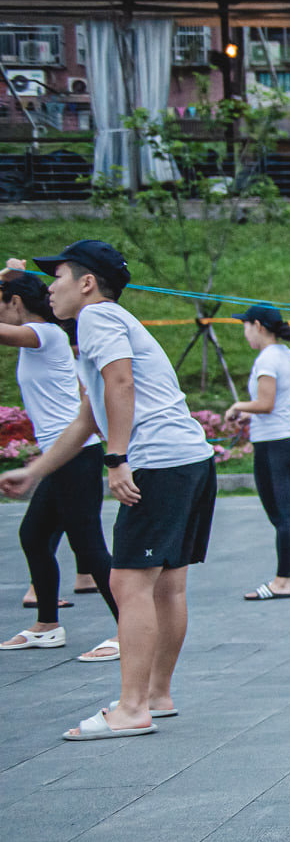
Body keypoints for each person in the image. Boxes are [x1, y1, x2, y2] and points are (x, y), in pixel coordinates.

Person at [0, 240, 216, 740]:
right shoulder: (107, 324)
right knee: (167, 585)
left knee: (129, 583)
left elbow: (120, 386)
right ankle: (157, 696)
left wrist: (117, 459)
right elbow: (87, 418)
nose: (50, 287)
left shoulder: (98, 319)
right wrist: (35, 471)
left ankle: (131, 708)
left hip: (159, 462)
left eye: (57, 276)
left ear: (87, 283)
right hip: (189, 457)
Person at [0, 264, 120, 662]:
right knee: (34, 536)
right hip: (62, 457)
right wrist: (10, 276)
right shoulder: (43, 335)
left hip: (76, 456)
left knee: (89, 546)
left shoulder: (45, 334)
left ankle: (128, 628)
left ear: (15, 304)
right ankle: (47, 626)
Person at [224, 303, 290, 601]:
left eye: (245, 326)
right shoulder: (288, 356)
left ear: (258, 325)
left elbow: (266, 402)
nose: (245, 333)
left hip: (271, 445)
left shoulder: (268, 358)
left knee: (279, 514)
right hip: (287, 440)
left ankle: (281, 581)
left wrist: (238, 408)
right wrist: (252, 414)